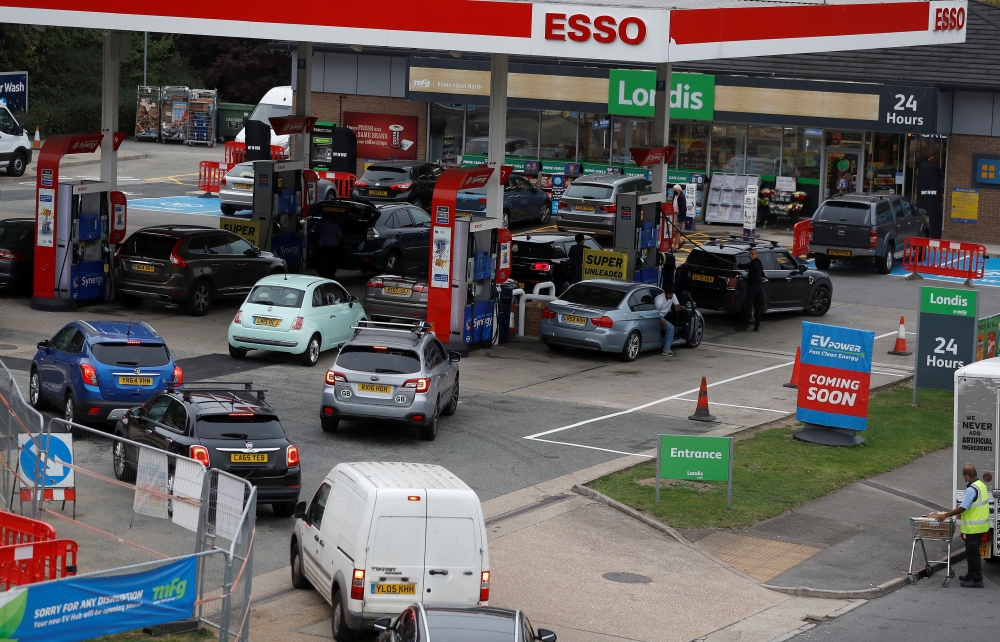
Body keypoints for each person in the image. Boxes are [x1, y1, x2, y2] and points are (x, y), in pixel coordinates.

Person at [935, 464, 990, 588]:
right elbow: (973, 506)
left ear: (967, 476)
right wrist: (962, 514)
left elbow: (962, 507)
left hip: (974, 528)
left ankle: (976, 580)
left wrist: (946, 515)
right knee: (972, 553)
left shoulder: (971, 489)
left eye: (964, 477)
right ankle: (971, 575)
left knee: (973, 554)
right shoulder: (981, 485)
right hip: (981, 527)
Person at [737, 247, 765, 332]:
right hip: (759, 288)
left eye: (752, 254)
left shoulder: (753, 263)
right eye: (750, 254)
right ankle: (757, 327)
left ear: (757, 254)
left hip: (753, 289)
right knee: (758, 308)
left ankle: (744, 326)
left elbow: (745, 266)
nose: (751, 256)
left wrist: (739, 265)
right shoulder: (759, 263)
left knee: (748, 307)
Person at [654, 285, 682, 357]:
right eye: (669, 294)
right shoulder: (659, 300)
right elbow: (654, 313)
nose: (671, 296)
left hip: (664, 315)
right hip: (656, 317)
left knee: (671, 326)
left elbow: (677, 305)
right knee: (671, 328)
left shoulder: (673, 296)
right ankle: (666, 349)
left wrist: (680, 307)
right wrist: (660, 319)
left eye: (672, 294)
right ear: (665, 294)